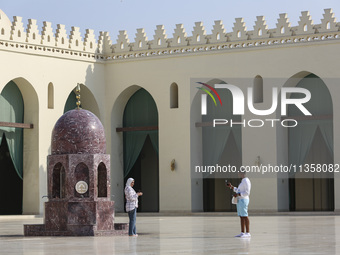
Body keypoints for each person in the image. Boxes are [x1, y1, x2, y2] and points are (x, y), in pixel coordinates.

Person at [227, 167, 251, 238]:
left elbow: (247, 192)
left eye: (239, 172)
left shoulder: (246, 181)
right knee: (241, 216)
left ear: (242, 173)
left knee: (245, 215)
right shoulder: (242, 181)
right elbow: (238, 190)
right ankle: (242, 232)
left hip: (244, 200)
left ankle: (248, 232)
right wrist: (231, 187)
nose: (238, 173)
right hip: (240, 200)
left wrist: (238, 194)